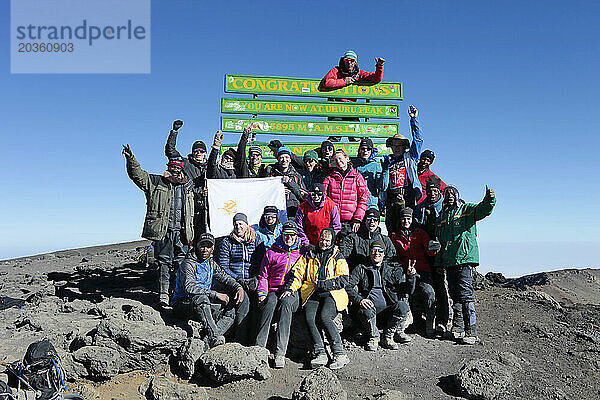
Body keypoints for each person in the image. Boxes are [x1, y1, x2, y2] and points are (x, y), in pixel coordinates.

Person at [122, 144, 195, 307]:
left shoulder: (188, 187)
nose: (175, 170)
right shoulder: (156, 181)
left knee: (181, 264)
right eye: (172, 167)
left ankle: (178, 294)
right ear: (168, 167)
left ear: (182, 170)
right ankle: (163, 295)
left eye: (178, 168)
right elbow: (138, 176)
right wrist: (131, 159)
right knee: (163, 263)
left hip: (183, 233)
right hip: (164, 231)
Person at [282, 228, 350, 370]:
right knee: (310, 317)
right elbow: (298, 274)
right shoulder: (309, 254)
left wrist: (325, 283)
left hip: (332, 292)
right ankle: (320, 352)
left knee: (325, 317)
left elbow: (343, 278)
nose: (324, 243)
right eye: (322, 240)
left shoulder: (338, 256)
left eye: (327, 241)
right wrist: (290, 289)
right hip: (312, 292)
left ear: (332, 242)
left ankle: (339, 353)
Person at [436, 185, 496, 345]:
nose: (449, 196)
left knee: (466, 294)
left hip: (465, 259)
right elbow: (440, 242)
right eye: (446, 193)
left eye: (451, 193)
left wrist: (489, 199)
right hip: (449, 261)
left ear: (456, 195)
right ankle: (458, 327)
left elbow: (483, 210)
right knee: (454, 295)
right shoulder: (442, 217)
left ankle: (472, 331)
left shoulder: (466, 210)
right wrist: (439, 262)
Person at [171, 233, 244, 347]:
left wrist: (238, 287)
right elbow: (189, 288)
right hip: (182, 304)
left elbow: (224, 277)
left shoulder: (211, 263)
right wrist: (215, 294)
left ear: (212, 248)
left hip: (203, 304)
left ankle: (208, 340)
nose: (205, 249)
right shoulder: (188, 263)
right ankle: (214, 336)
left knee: (230, 310)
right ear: (197, 246)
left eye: (208, 246)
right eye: (202, 245)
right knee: (202, 299)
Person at [346, 240, 417, 351]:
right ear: (370, 252)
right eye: (374, 250)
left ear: (384, 254)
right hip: (369, 312)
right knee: (366, 309)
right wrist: (360, 300)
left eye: (380, 251)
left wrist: (411, 277)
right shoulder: (362, 268)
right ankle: (373, 337)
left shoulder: (391, 269)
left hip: (388, 310)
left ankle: (388, 336)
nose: (376, 253)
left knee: (403, 306)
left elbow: (407, 290)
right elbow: (348, 286)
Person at [255, 221, 302, 368]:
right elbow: (263, 275)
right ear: (282, 235)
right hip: (273, 289)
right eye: (286, 234)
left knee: (286, 305)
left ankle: (280, 352)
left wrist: (291, 289)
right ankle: (259, 347)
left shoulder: (301, 253)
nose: (288, 238)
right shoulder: (272, 252)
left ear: (296, 236)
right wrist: (262, 293)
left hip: (292, 290)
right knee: (269, 304)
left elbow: (302, 275)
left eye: (292, 235)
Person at [390, 208, 439, 337]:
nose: (406, 221)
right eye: (403, 219)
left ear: (412, 219)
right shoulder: (396, 236)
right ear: (400, 220)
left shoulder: (420, 233)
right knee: (404, 294)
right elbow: (396, 256)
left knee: (429, 293)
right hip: (406, 270)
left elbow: (429, 251)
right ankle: (401, 326)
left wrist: (434, 248)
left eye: (408, 218)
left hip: (423, 270)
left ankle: (430, 323)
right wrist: (404, 267)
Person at [218, 213, 263, 344]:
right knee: (244, 303)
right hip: (234, 281)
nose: (238, 227)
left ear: (246, 225)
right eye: (236, 224)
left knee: (257, 306)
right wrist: (237, 279)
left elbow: (261, 262)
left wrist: (255, 278)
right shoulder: (227, 242)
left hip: (252, 280)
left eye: (241, 224)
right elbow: (223, 266)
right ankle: (240, 340)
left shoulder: (256, 239)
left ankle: (254, 340)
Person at [414, 175, 450, 334]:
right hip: (426, 254)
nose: (432, 193)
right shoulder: (421, 207)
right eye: (429, 190)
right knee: (428, 287)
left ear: (439, 190)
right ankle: (428, 318)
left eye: (435, 190)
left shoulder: (446, 206)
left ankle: (443, 321)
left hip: (442, 254)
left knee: (442, 287)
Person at [164, 119, 209, 236]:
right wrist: (174, 132)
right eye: (196, 151)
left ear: (205, 153)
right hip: (190, 205)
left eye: (201, 151)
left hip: (208, 206)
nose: (198, 153)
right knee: (190, 235)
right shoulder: (186, 163)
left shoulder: (211, 166)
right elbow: (170, 151)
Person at [382, 105, 423, 210]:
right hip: (391, 201)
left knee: (407, 226)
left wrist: (414, 120)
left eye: (399, 145)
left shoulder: (410, 157)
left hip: (408, 198)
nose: (396, 148)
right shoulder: (388, 161)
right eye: (394, 145)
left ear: (404, 146)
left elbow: (418, 140)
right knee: (391, 226)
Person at [323, 149, 369, 239]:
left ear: (347, 158)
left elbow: (364, 198)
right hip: (333, 221)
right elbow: (323, 197)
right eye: (336, 160)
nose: (338, 162)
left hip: (351, 222)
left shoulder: (357, 177)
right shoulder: (329, 178)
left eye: (340, 159)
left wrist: (357, 218)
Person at [295, 183, 341, 248]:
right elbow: (298, 227)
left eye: (319, 194)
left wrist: (330, 242)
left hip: (326, 243)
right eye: (313, 194)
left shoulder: (331, 206)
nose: (316, 196)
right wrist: (306, 243)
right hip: (309, 243)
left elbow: (336, 227)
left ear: (323, 194)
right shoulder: (302, 208)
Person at [266, 147, 305, 218]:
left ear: (290, 159)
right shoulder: (271, 174)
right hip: (275, 211)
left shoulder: (296, 176)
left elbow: (303, 195)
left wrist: (290, 183)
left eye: (287, 157)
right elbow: (265, 191)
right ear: (278, 159)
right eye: (281, 157)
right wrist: (279, 190)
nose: (284, 160)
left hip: (292, 210)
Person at [351, 138, 387, 210]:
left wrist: (385, 171)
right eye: (363, 149)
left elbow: (382, 187)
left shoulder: (376, 165)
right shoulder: (352, 164)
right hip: (355, 203)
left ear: (372, 151)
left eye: (368, 149)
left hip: (371, 204)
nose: (365, 151)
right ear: (359, 150)